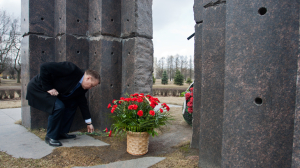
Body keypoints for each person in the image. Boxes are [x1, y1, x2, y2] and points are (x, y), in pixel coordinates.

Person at [26, 61, 100, 147]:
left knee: (72, 104)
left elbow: (83, 103)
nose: (90, 88)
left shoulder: (82, 88)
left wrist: (89, 123)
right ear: (88, 78)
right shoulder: (71, 69)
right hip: (39, 87)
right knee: (58, 107)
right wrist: (48, 88)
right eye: (91, 85)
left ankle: (61, 132)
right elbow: (44, 66)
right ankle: (50, 137)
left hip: (52, 93)